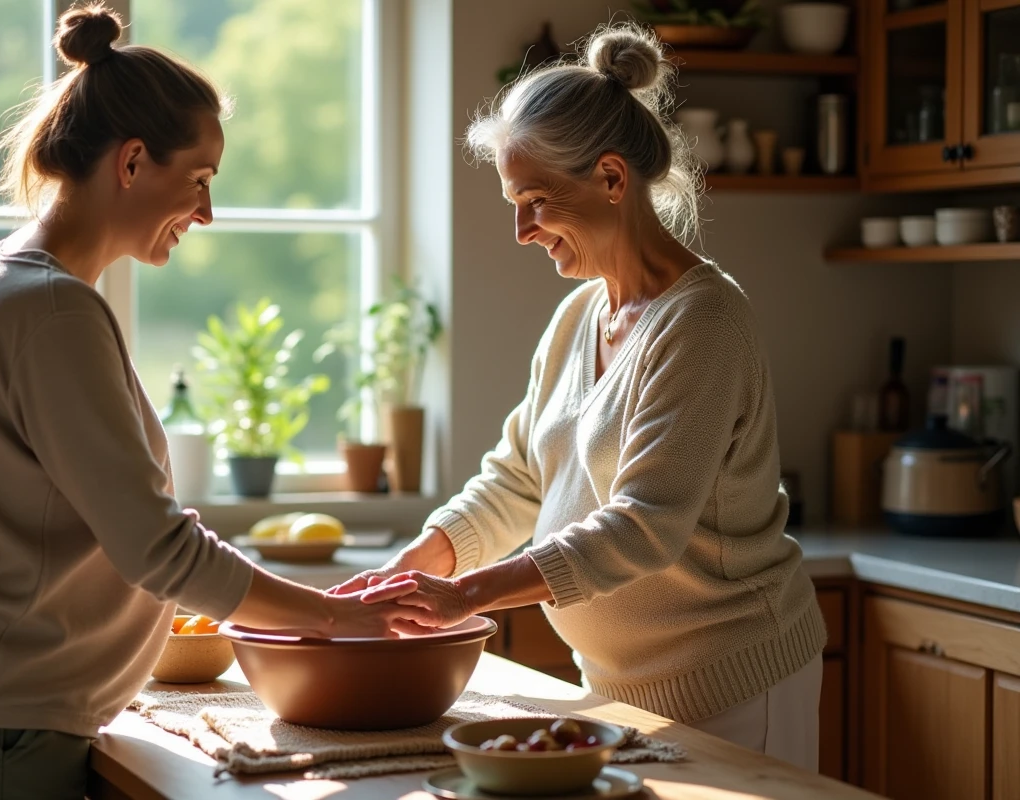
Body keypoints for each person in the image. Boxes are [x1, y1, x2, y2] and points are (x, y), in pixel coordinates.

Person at [0, 5, 421, 798]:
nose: (208, 212)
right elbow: (160, 550)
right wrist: (337, 617)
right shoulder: (52, 310)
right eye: (201, 179)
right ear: (133, 161)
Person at [337, 23, 826, 771]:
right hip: (616, 686)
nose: (520, 230)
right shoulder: (578, 316)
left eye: (534, 199)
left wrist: (467, 596)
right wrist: (415, 567)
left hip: (735, 686)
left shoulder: (705, 320)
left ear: (610, 178)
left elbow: (643, 526)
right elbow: (517, 480)